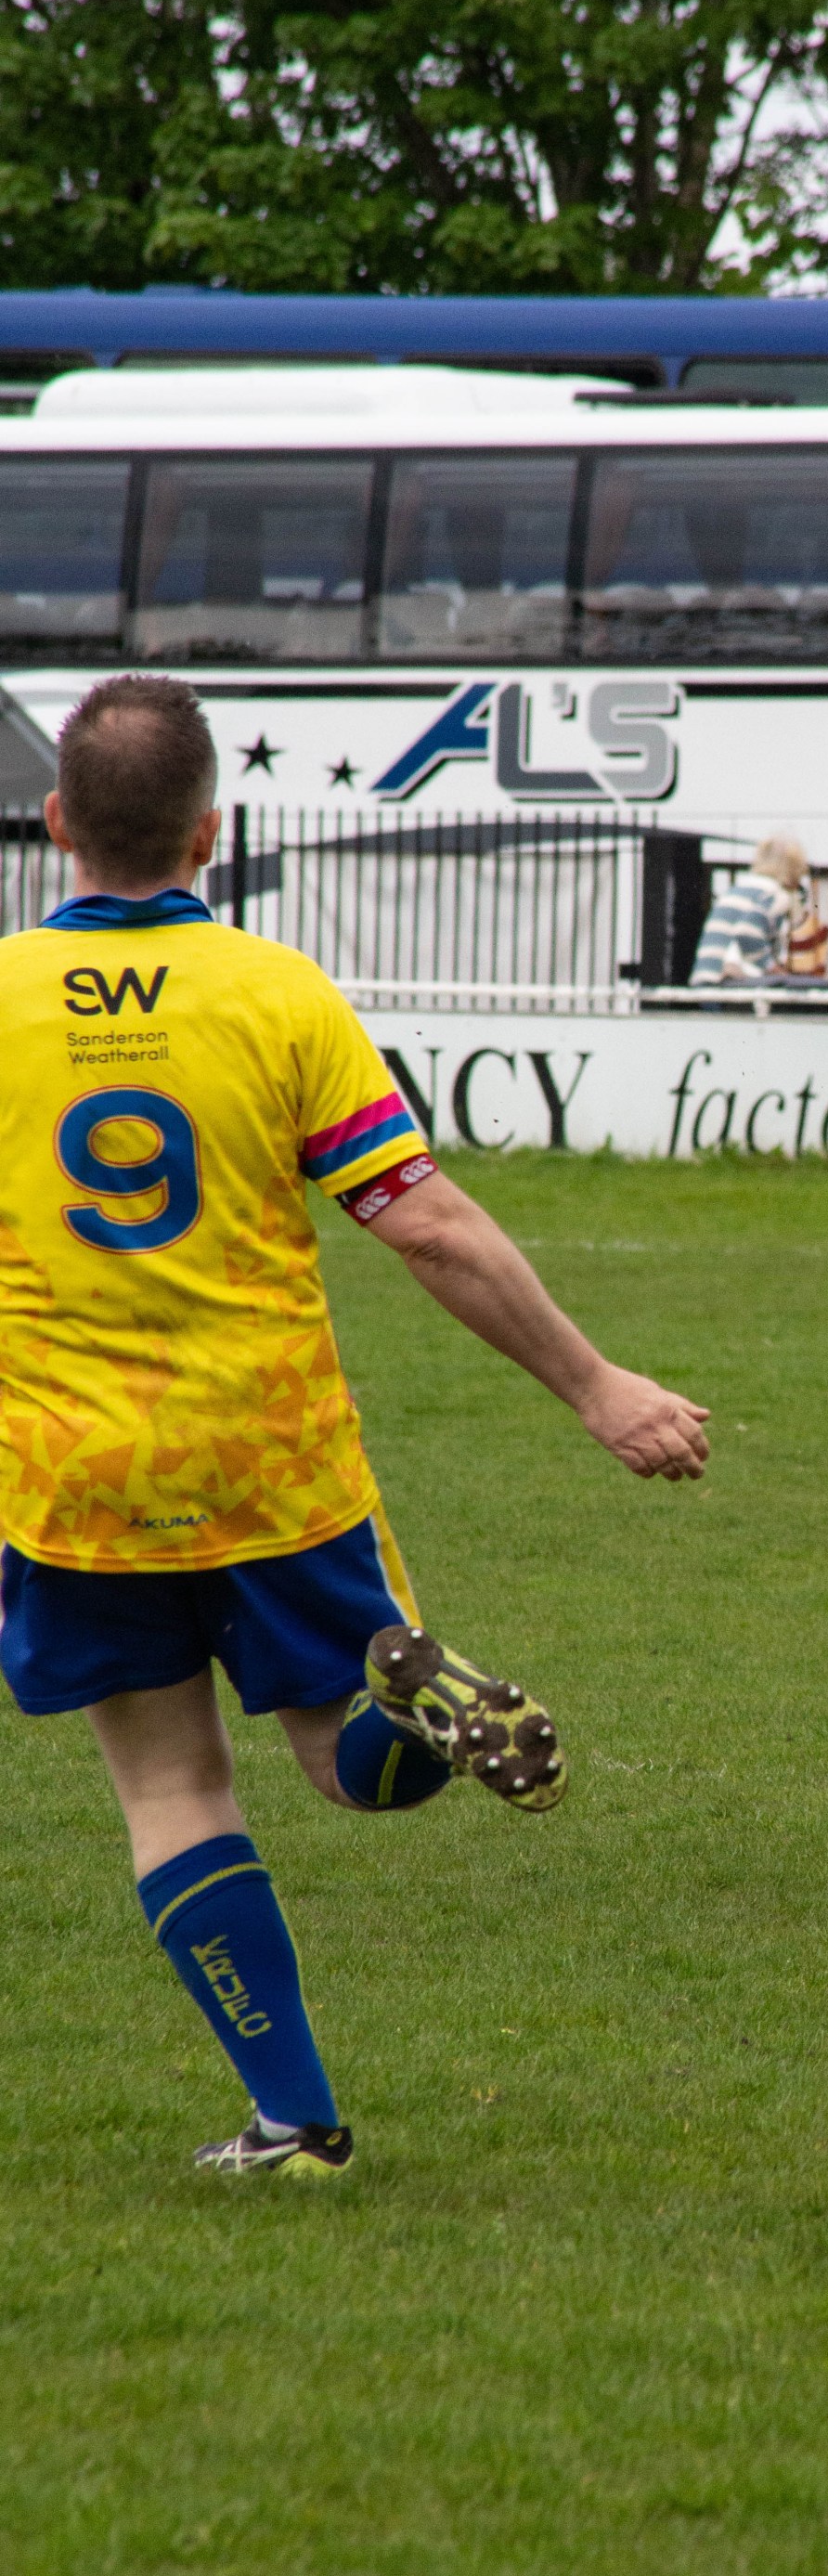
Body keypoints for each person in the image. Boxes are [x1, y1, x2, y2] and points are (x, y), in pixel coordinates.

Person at [0, 675, 710, 2180]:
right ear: (210, 831)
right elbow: (429, 1225)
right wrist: (600, 1388)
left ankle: (296, 2123)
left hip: (76, 1476)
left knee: (173, 1789)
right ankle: (418, 1713)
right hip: (271, 1462)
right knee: (343, 1767)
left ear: (57, 822)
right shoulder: (277, 994)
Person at [689, 836, 814, 989]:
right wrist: (771, 968)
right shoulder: (775, 894)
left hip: (704, 979)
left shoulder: (739, 888)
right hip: (723, 982)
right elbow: (747, 933)